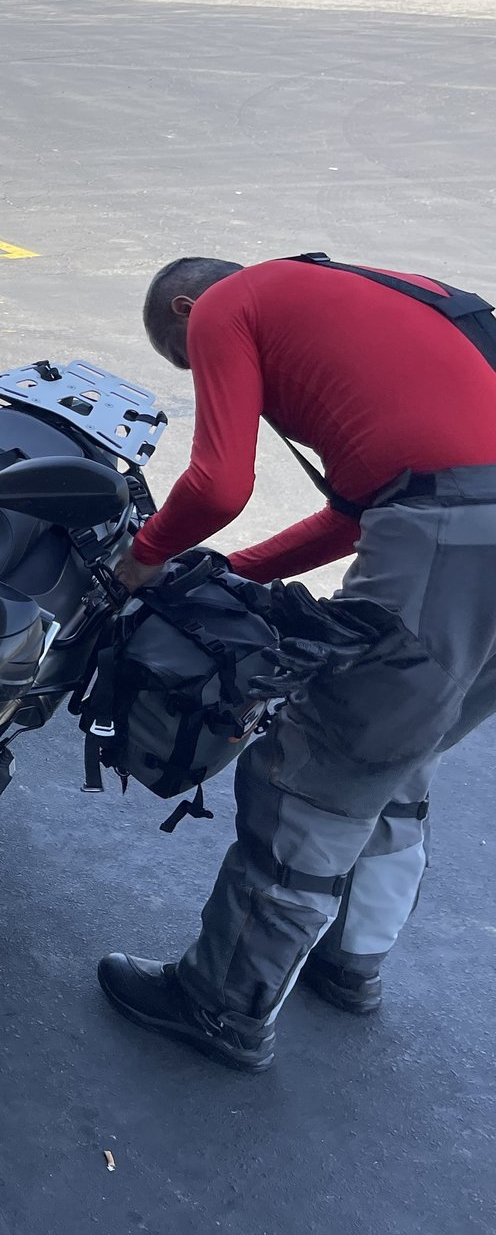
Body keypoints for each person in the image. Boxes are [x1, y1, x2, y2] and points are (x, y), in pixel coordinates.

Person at [101, 254, 496, 1070]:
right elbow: (351, 518)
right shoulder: (364, 294)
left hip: (457, 536)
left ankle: (221, 1007)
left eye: (188, 360)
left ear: (185, 309)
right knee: (400, 755)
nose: (208, 375)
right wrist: (224, 574)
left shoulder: (226, 304)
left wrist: (143, 559)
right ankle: (350, 963)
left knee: (324, 766)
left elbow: (218, 486)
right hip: (460, 515)